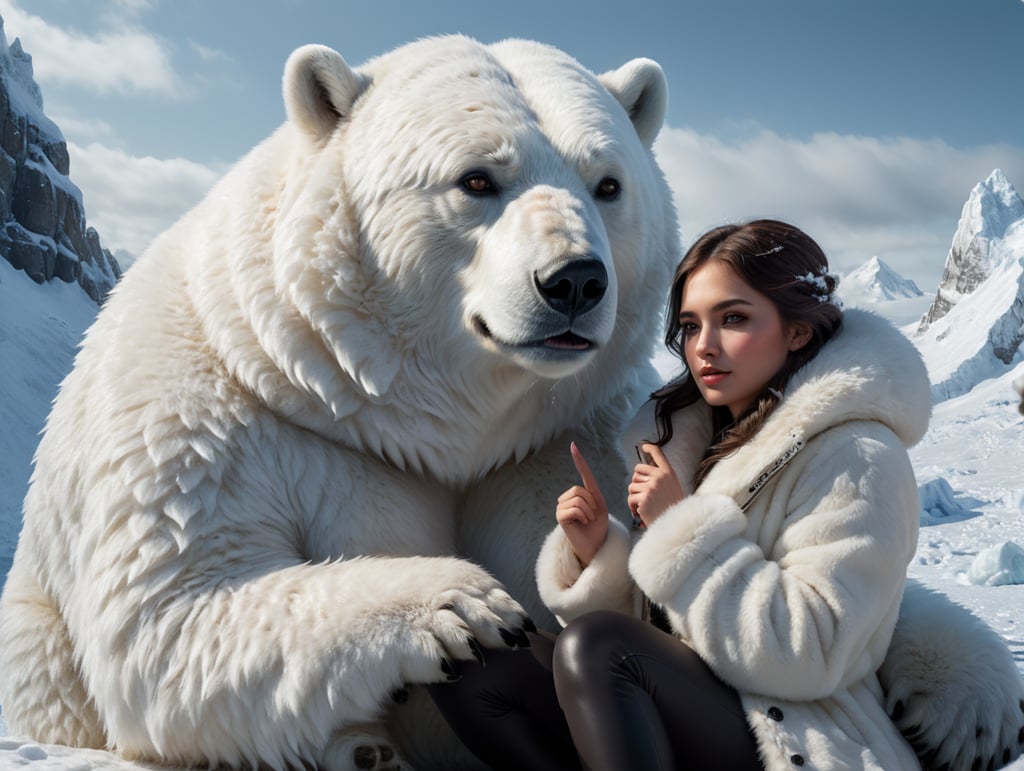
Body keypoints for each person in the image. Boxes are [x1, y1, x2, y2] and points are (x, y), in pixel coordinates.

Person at [427, 219, 932, 770]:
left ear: (798, 331)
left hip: (793, 734)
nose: (704, 347)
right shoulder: (689, 441)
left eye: (733, 319)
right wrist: (602, 553)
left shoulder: (856, 456)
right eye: (691, 326)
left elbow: (808, 655)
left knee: (597, 648)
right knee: (467, 655)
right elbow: (665, 629)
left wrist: (679, 526)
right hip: (694, 709)